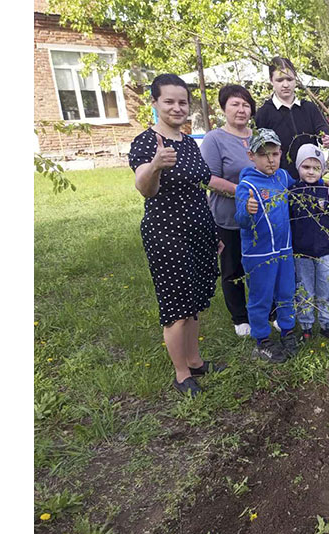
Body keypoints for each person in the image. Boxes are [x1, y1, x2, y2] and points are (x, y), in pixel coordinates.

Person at [128, 73, 225, 397]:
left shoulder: (188, 142)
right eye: (169, 101)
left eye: (182, 101)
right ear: (154, 103)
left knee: (195, 300)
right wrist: (155, 165)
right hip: (167, 234)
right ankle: (182, 373)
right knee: (177, 307)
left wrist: (215, 230)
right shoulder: (146, 143)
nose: (177, 107)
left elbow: (202, 183)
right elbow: (145, 188)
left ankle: (195, 360)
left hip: (199, 229)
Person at [235, 129, 298, 363]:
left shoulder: (282, 176)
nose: (270, 160)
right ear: (252, 156)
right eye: (263, 155)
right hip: (259, 254)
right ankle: (262, 339)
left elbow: (300, 189)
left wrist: (323, 184)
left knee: (286, 292)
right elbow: (240, 220)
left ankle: (288, 330)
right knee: (260, 298)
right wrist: (247, 210)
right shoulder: (247, 184)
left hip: (284, 251)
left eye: (274, 154)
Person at [200, 85, 258, 337]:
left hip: (260, 217)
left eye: (246, 105)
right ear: (224, 108)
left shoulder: (258, 137)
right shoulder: (215, 139)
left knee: (260, 265)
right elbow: (208, 179)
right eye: (235, 104)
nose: (241, 110)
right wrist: (242, 192)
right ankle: (240, 317)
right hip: (229, 217)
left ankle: (265, 309)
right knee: (233, 268)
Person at [289, 144, 329, 344]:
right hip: (301, 253)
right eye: (306, 167)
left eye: (316, 167)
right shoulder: (292, 191)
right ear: (298, 168)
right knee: (304, 289)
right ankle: (306, 327)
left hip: (324, 251)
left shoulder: (325, 189)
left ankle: (327, 325)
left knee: (326, 288)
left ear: (321, 169)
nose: (311, 171)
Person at [254, 56, 329, 182]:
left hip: (310, 178)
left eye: (289, 79)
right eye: (280, 80)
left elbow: (322, 128)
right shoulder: (264, 112)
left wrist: (327, 137)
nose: (285, 84)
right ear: (271, 80)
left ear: (296, 79)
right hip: (280, 181)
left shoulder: (309, 108)